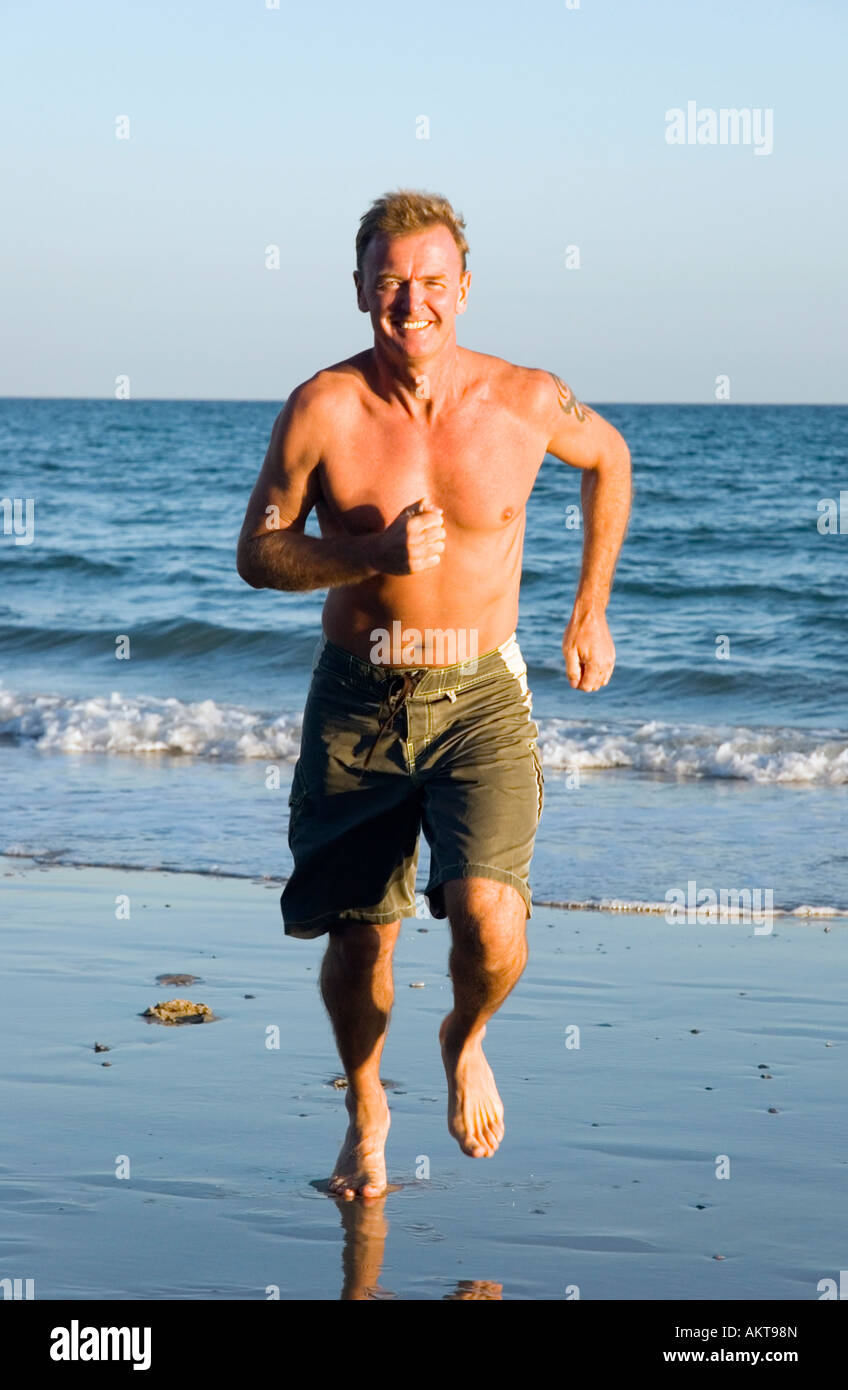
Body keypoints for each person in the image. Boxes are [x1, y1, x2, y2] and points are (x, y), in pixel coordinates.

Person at [237, 189, 631, 1198]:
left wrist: (588, 608)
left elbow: (609, 459)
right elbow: (258, 552)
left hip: (481, 699)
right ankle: (366, 1104)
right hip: (358, 704)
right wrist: (364, 551)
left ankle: (464, 1035)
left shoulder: (526, 399)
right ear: (361, 288)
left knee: (491, 922)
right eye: (388, 281)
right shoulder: (322, 407)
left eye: (428, 281)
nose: (408, 300)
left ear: (464, 287)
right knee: (360, 941)